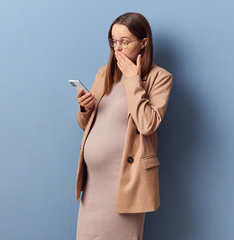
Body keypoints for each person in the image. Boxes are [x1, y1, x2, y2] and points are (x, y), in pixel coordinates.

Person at [74, 12, 173, 240]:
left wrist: (132, 80)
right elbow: (85, 125)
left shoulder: (160, 78)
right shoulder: (104, 72)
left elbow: (148, 124)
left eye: (125, 42)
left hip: (125, 180)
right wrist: (84, 109)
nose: (117, 48)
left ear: (143, 42)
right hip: (93, 182)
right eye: (113, 41)